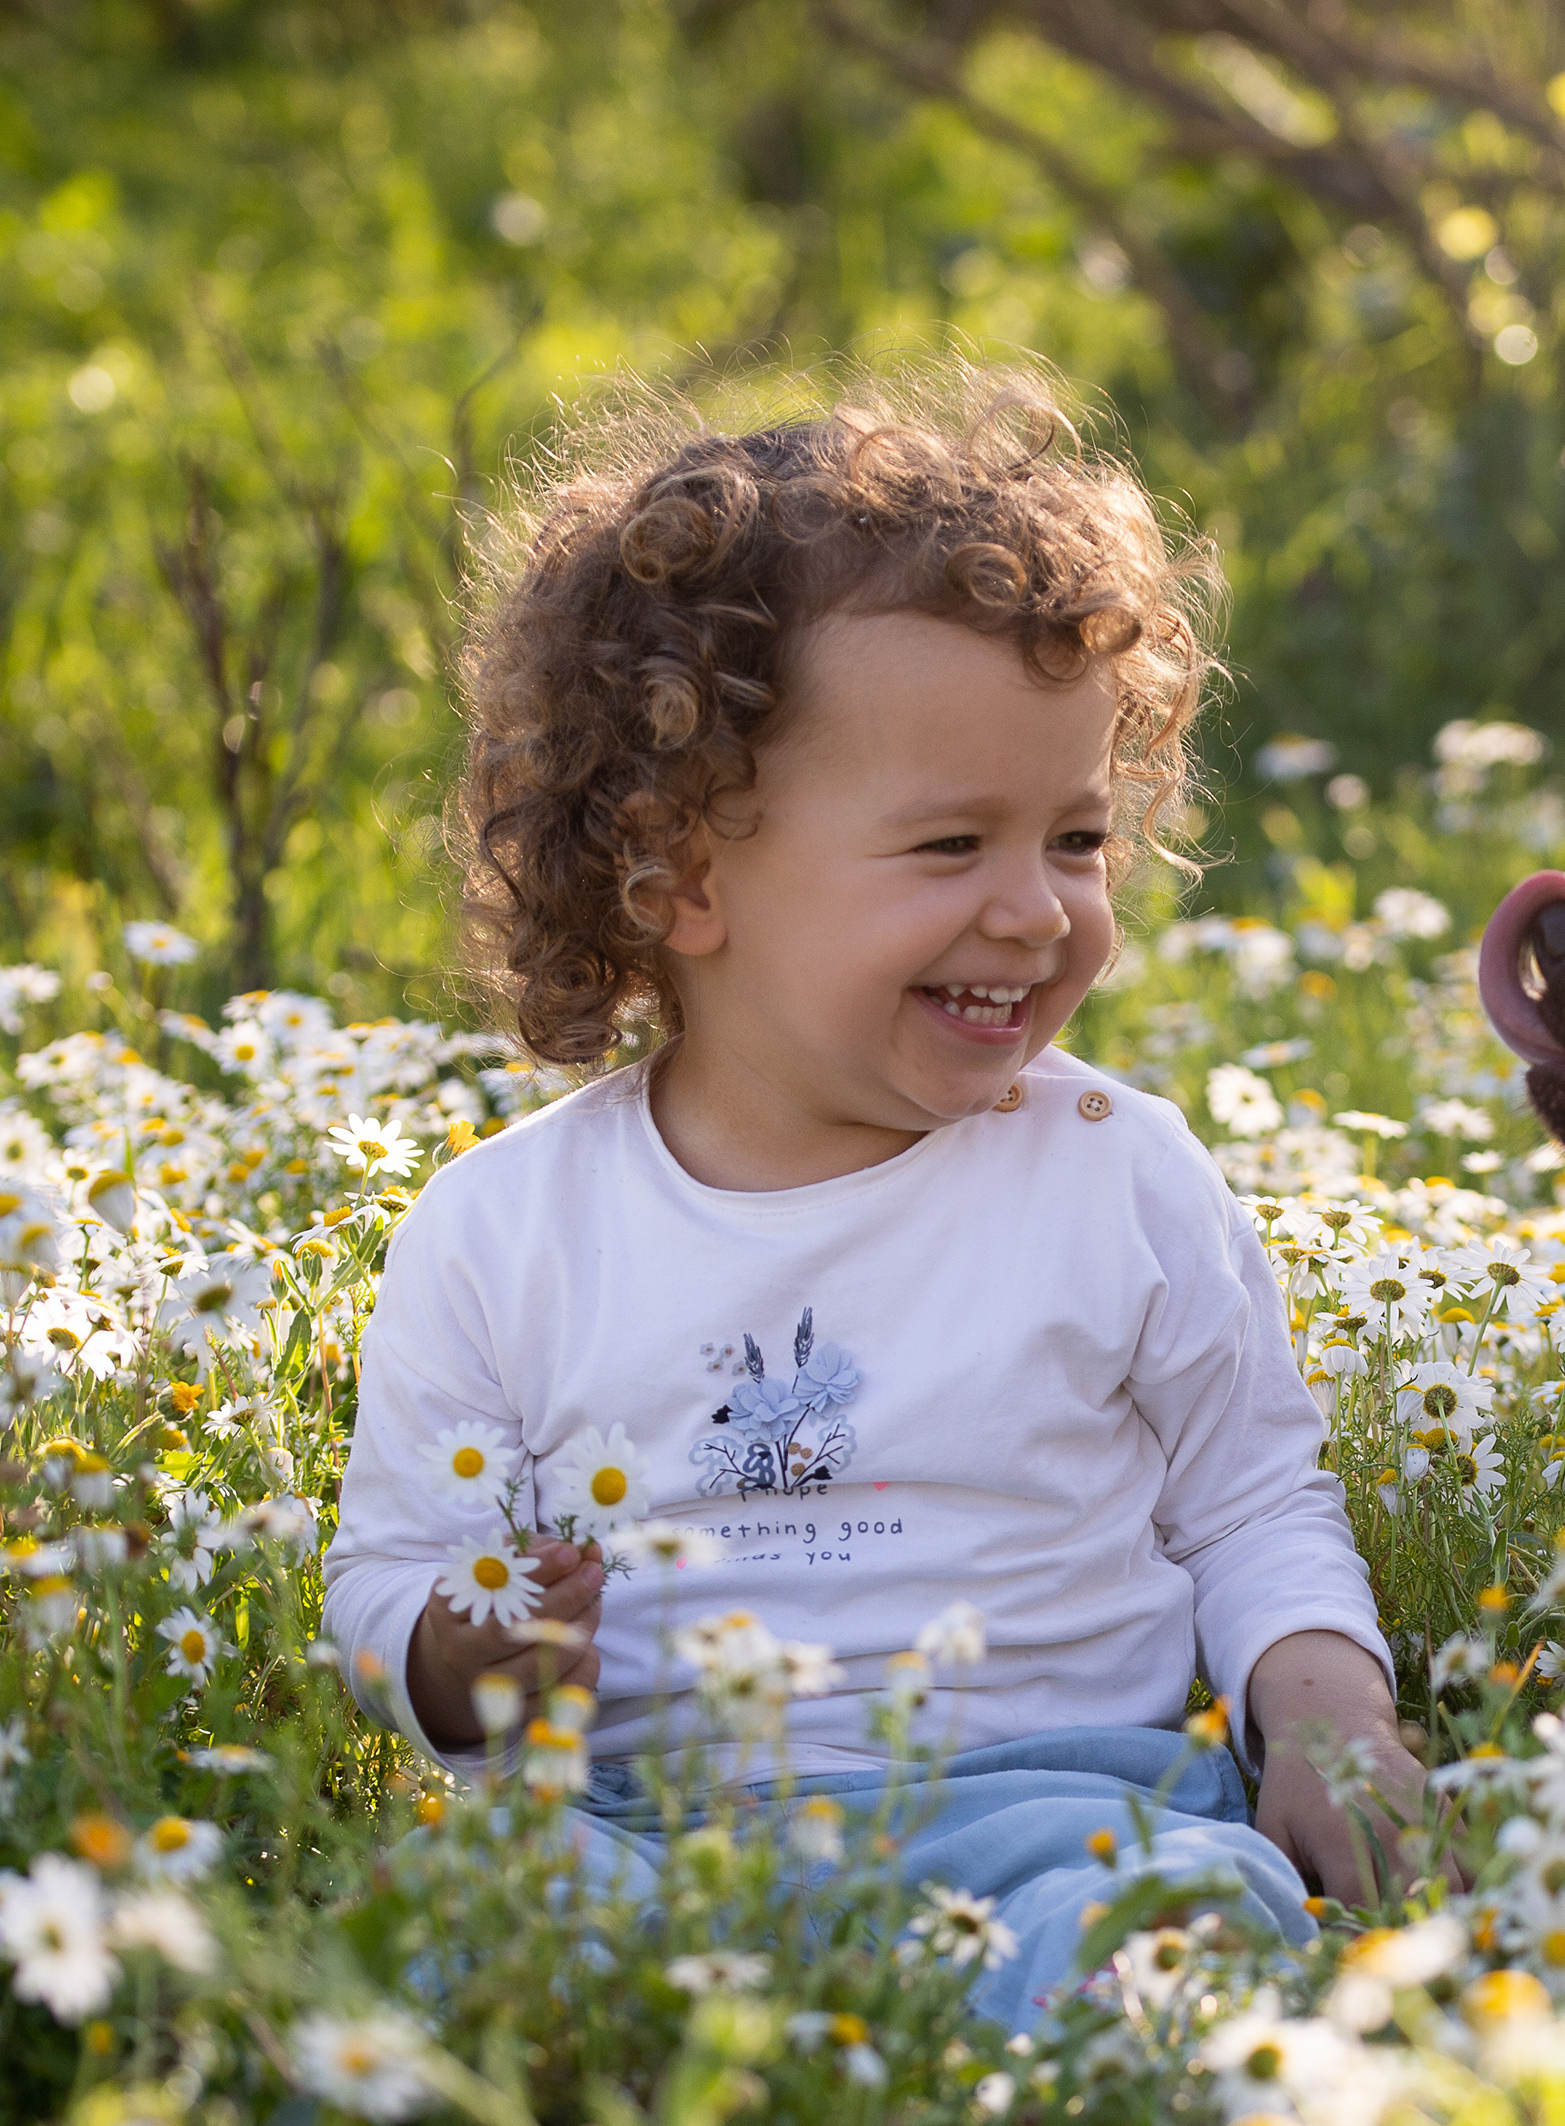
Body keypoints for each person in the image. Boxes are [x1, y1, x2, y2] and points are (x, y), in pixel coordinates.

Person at [319, 367, 1427, 2023]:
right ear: (681, 873)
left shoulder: (1116, 1172)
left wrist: (1331, 1723)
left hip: (1064, 1815)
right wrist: (452, 1657)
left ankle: (1046, 2071)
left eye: (1075, 840)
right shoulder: (503, 1233)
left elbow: (1251, 1506)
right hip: (647, 1831)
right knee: (454, 1920)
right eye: (950, 847)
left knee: (1165, 1923)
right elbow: (392, 1570)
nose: (1037, 912)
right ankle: (688, 2075)